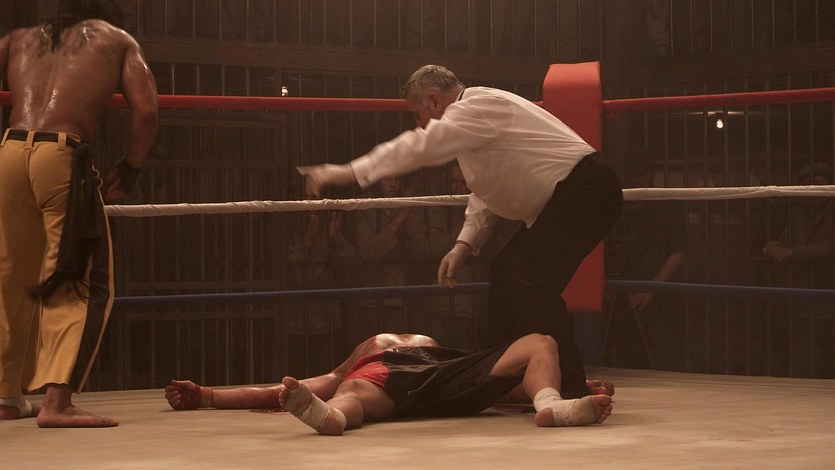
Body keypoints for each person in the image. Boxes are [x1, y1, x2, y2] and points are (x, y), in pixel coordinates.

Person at [298, 65, 623, 398]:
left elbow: (420, 146)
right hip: (575, 195)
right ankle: (506, 378)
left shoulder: (475, 106)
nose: (419, 124)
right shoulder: (475, 128)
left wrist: (348, 171)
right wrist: (463, 245)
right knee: (505, 271)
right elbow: (488, 191)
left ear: (434, 101)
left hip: (584, 189)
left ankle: (567, 384)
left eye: (418, 115)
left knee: (529, 278)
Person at [0, 0, 158, 427]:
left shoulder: (19, 39)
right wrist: (131, 169)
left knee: (11, 277)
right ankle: (56, 402)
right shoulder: (117, 41)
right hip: (60, 156)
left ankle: (6, 396)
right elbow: (147, 111)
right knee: (81, 276)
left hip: (9, 152)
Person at [165, 333, 614, 436]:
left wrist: (567, 384)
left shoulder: (433, 345)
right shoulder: (370, 349)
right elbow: (298, 385)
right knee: (350, 392)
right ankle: (330, 417)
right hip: (385, 375)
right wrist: (207, 395)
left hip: (444, 370)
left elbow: (498, 390)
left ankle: (552, 403)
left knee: (540, 343)